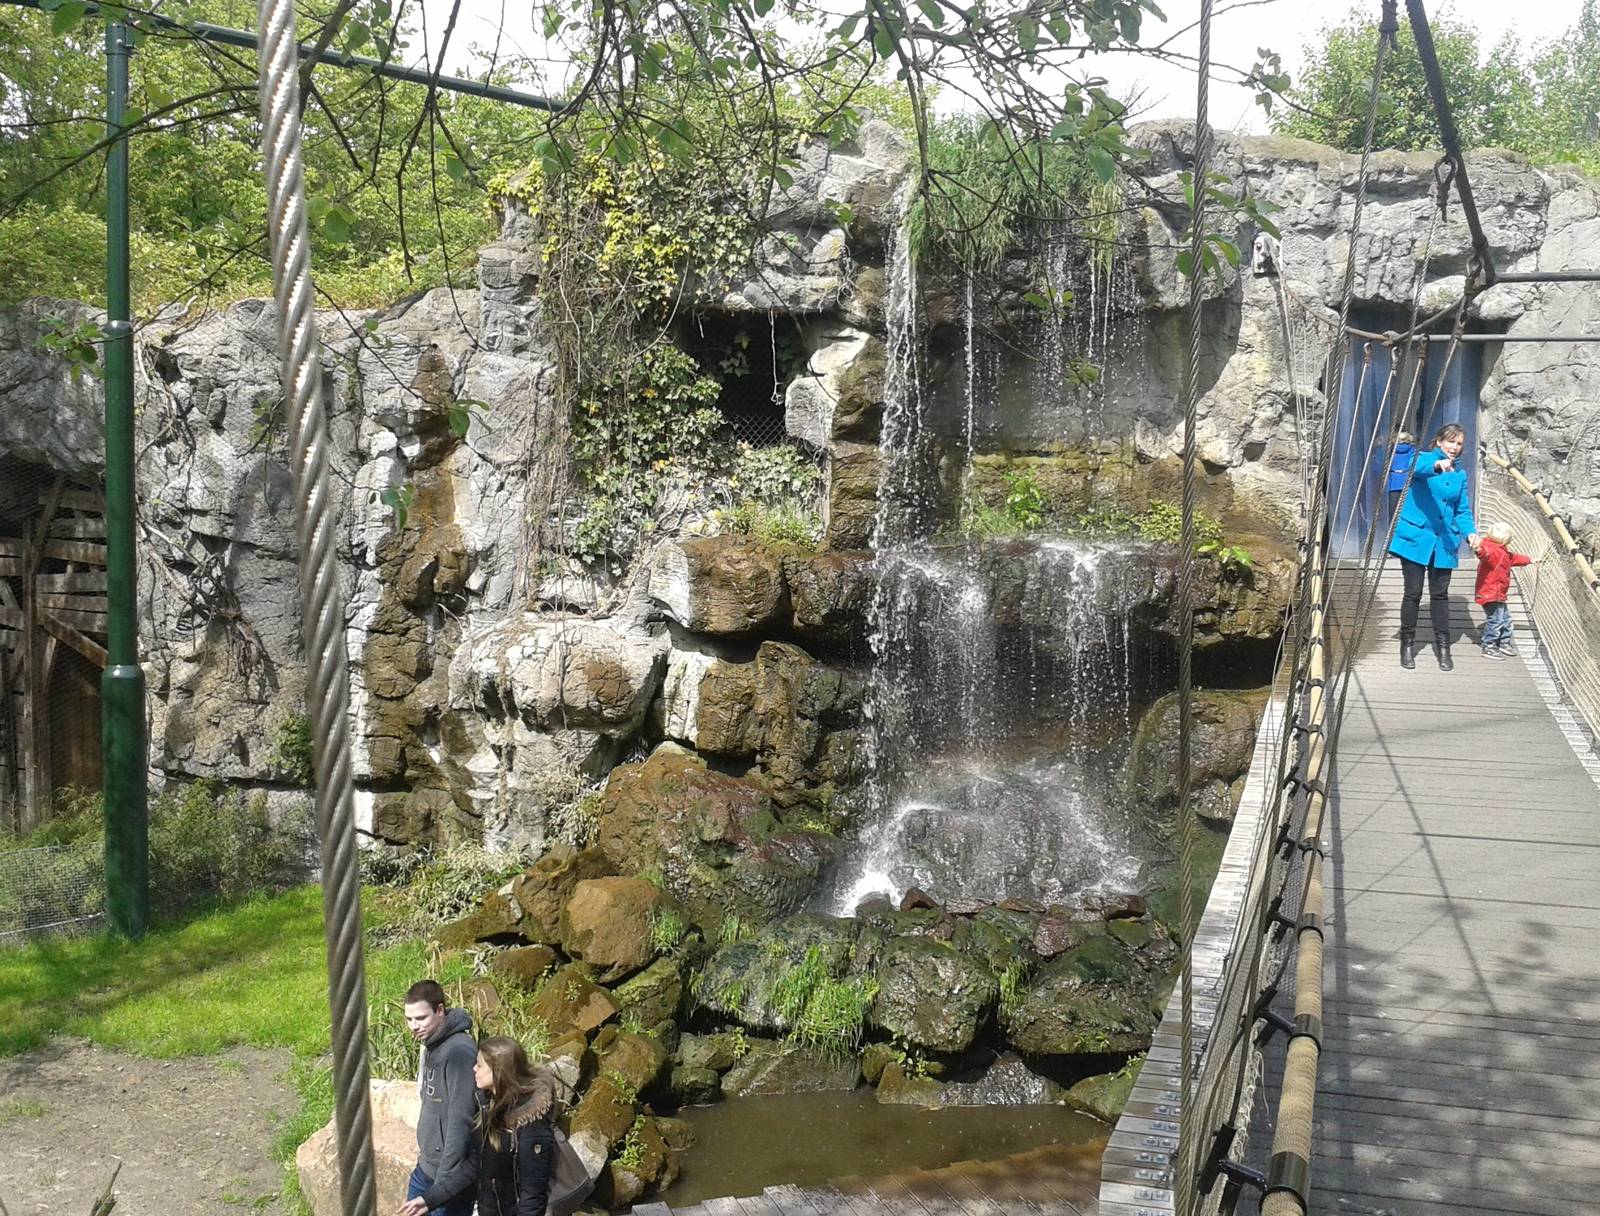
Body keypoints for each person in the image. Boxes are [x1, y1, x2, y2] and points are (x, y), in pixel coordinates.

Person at [1387, 422, 1480, 671]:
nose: (1455, 447)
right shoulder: (1423, 459)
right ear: (1439, 441)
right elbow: (1414, 469)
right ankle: (1407, 644)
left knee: (1440, 595)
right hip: (1416, 538)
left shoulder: (1460, 475)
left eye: (1459, 443)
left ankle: (1443, 647)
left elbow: (1462, 510)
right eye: (1451, 441)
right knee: (1413, 592)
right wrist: (1438, 466)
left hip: (1443, 541)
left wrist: (1470, 533)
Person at [399, 981, 479, 1216]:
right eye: (409, 1019)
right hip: (425, 1168)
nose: (414, 1026)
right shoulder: (431, 1044)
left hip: (447, 1180)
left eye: (421, 1018)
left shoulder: (459, 1052)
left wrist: (443, 1188)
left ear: (440, 1010)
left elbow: (460, 1121)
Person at [472, 1035, 558, 1216]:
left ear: (498, 1070)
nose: (474, 1069)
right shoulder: (487, 1102)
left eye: (479, 1065)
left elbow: (532, 1195)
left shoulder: (531, 1123)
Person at [1474, 521, 1533, 659]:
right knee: (1496, 620)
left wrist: (1530, 560)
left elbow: (1514, 558)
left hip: (1497, 593)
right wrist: (1479, 551)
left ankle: (1503, 641)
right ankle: (1489, 646)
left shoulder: (1503, 551)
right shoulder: (1493, 551)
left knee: (1505, 618)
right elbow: (1486, 554)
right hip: (1490, 593)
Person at [1386, 430, 1416, 523]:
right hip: (1408, 483)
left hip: (1393, 484)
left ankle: (1392, 534)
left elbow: (1377, 465)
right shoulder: (1414, 450)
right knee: (1408, 512)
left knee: (1393, 513)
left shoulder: (1389, 451)